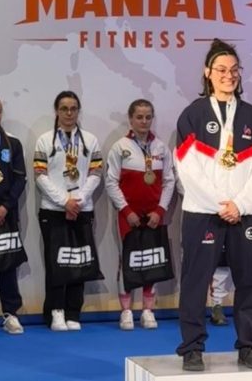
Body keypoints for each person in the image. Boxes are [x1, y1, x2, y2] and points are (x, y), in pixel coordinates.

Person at [174, 39, 252, 372]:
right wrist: (221, 204)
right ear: (207, 73)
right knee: (195, 281)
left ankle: (248, 346)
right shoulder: (192, 115)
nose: (228, 76)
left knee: (248, 281)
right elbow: (187, 169)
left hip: (245, 213)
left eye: (233, 70)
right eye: (221, 70)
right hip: (203, 212)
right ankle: (192, 348)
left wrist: (240, 205)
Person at [33, 90, 103, 331]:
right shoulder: (44, 140)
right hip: (53, 210)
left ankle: (74, 312)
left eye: (73, 108)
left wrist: (78, 200)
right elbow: (40, 176)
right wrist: (65, 201)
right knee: (57, 262)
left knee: (79, 260)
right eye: (64, 108)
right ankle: (56, 311)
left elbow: (96, 173)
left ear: (78, 111)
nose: (69, 113)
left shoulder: (90, 140)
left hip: (82, 208)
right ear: (56, 111)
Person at [105, 99, 175, 330]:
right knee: (127, 260)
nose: (144, 121)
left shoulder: (161, 148)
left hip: (154, 216)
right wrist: (126, 210)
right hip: (129, 216)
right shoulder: (120, 147)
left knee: (152, 260)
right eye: (139, 117)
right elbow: (111, 182)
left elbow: (169, 181)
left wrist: (160, 210)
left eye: (148, 117)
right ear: (131, 119)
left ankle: (147, 310)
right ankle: (126, 311)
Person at [0, 95, 27, 334]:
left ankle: (11, 314)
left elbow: (20, 178)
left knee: (7, 266)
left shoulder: (13, 143)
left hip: (6, 213)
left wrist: (5, 207)